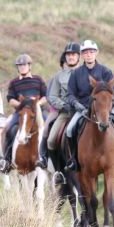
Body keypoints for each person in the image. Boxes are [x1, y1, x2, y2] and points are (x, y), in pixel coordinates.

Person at [65, 40, 114, 174]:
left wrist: (112, 103)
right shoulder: (76, 73)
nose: (89, 55)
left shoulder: (106, 71)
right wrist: (78, 106)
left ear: (96, 53)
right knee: (69, 130)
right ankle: (73, 160)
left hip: (106, 108)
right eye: (85, 52)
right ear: (82, 55)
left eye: (91, 52)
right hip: (84, 109)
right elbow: (70, 94)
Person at [0, 54, 47, 173]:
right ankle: (7, 161)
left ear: (29, 66)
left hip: (37, 112)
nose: (22, 67)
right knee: (9, 130)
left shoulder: (38, 80)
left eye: (24, 65)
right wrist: (22, 106)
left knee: (49, 129)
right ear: (17, 68)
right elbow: (10, 99)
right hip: (21, 113)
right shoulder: (14, 82)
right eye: (20, 65)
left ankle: (48, 159)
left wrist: (36, 105)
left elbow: (45, 96)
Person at [38, 42, 81, 177]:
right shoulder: (59, 76)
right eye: (68, 55)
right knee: (51, 140)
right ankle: (58, 171)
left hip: (84, 112)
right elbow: (52, 96)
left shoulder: (85, 73)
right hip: (65, 113)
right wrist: (64, 105)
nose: (71, 57)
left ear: (79, 56)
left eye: (73, 54)